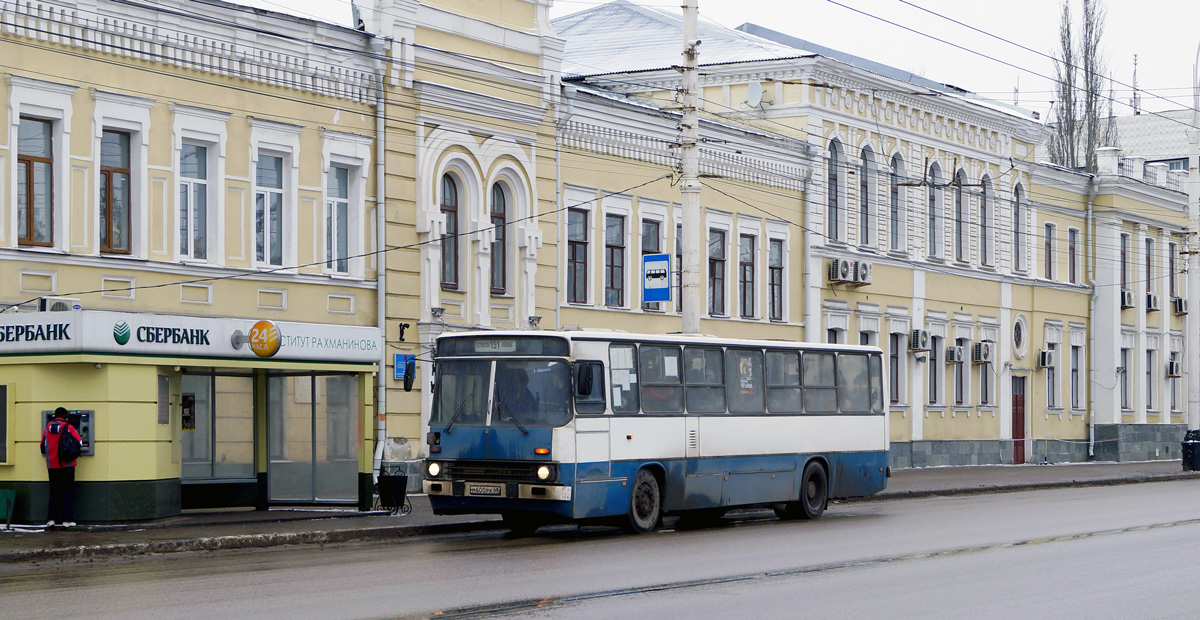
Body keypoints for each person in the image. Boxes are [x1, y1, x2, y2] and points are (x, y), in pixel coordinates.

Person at [40, 407, 81, 528]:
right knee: (67, 491)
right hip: (67, 465)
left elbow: (42, 446)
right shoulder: (69, 427)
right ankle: (66, 520)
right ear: (65, 416)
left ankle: (51, 520)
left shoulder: (47, 429)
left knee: (54, 492)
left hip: (52, 466)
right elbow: (79, 443)